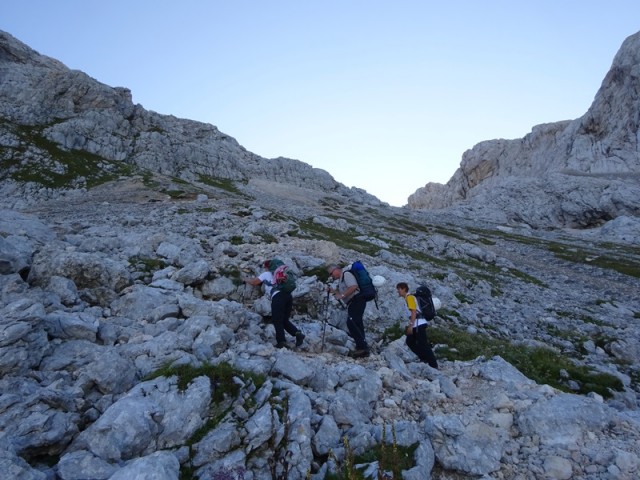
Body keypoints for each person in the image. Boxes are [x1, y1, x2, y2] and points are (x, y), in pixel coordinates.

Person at [246, 260, 305, 349]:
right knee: (284, 320)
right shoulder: (280, 274)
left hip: (278, 297)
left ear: (267, 267)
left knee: (277, 320)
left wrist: (244, 279)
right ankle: (298, 334)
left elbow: (254, 282)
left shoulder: (267, 274)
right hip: (288, 296)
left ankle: (281, 342)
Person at [327, 264, 370, 358]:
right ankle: (362, 347)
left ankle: (362, 347)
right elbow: (342, 292)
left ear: (336, 269)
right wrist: (334, 291)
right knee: (357, 322)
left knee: (352, 322)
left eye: (331, 273)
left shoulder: (346, 274)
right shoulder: (341, 279)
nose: (331, 276)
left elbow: (353, 287)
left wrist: (342, 296)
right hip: (353, 302)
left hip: (357, 300)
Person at [396, 282, 438, 369]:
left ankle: (433, 364)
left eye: (399, 289)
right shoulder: (409, 298)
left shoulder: (410, 298)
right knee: (410, 342)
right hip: (418, 323)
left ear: (404, 289)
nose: (398, 291)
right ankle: (424, 358)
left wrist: (410, 326)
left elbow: (414, 312)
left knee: (423, 344)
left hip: (418, 324)